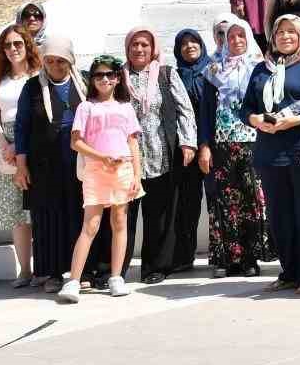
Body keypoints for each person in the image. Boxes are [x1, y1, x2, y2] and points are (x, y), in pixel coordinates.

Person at [245, 14, 300, 294]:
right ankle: (290, 271)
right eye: (280, 32)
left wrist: (296, 119)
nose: (285, 36)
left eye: (291, 32)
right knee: (280, 215)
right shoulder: (262, 70)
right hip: (271, 153)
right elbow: (245, 106)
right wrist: (255, 120)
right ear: (272, 36)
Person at [60, 55, 144, 302]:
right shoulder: (86, 107)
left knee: (120, 221)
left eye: (109, 74)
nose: (104, 79)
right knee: (91, 225)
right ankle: (74, 280)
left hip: (123, 170)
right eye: (99, 75)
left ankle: (117, 277)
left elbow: (133, 142)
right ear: (92, 79)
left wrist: (137, 175)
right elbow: (76, 142)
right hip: (96, 171)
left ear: (118, 79)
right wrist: (102, 157)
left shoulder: (126, 108)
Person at [120, 28, 198, 285]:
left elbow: (184, 109)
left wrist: (188, 143)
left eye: (144, 44)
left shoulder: (166, 74)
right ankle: (114, 269)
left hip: (160, 155)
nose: (139, 49)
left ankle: (155, 267)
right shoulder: (118, 76)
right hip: (126, 159)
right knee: (124, 216)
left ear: (152, 47)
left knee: (159, 215)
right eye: (134, 44)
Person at [15, 34, 88, 292]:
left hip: (78, 161)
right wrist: (21, 166)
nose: (56, 66)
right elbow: (22, 128)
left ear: (71, 60)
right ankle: (52, 273)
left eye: (61, 61)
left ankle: (80, 270)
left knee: (77, 213)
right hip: (44, 164)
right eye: (51, 61)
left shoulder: (85, 83)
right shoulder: (32, 87)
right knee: (48, 217)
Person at [203, 19, 272, 277]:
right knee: (226, 199)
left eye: (241, 36)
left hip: (253, 140)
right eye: (231, 37)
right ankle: (229, 258)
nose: (236, 41)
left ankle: (251, 258)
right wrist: (205, 145)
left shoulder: (260, 68)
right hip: (222, 143)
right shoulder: (212, 70)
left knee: (252, 199)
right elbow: (207, 110)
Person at [0, 25, 38, 287]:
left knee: (38, 210)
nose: (13, 49)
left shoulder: (39, 75)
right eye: (7, 45)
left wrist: (22, 145)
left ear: (27, 45)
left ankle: (45, 267)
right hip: (6, 147)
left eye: (18, 43)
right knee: (17, 214)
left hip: (35, 144)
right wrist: (5, 144)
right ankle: (24, 270)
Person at [171, 29, 217, 277]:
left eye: (194, 41)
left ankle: (221, 254)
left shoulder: (213, 71)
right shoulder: (175, 76)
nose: (189, 46)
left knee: (217, 201)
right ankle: (183, 256)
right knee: (187, 204)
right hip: (186, 149)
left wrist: (205, 144)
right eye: (183, 44)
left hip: (211, 145)